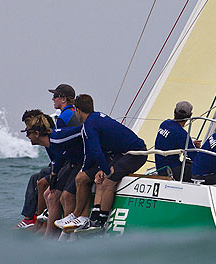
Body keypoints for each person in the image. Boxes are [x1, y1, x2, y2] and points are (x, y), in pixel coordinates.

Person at [54, 94, 148, 232]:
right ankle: (80, 216)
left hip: (136, 153)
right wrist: (98, 169)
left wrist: (106, 170)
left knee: (108, 181)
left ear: (78, 110)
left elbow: (94, 151)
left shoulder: (89, 125)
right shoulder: (94, 118)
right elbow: (95, 151)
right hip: (121, 153)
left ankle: (100, 221)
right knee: (88, 177)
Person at [15, 83, 80, 229]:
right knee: (36, 178)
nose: (52, 99)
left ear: (63, 99)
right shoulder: (69, 113)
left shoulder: (65, 117)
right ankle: (32, 218)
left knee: (42, 183)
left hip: (70, 161)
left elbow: (63, 145)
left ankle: (38, 221)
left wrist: (55, 171)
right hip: (67, 160)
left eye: (55, 96)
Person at [20, 109, 84, 237]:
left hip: (83, 162)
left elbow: (85, 129)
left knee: (59, 194)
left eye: (28, 132)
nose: (27, 136)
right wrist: (54, 174)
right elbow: (58, 157)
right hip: (73, 162)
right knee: (48, 193)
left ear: (37, 133)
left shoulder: (57, 139)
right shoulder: (51, 143)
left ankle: (55, 233)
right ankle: (46, 230)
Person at [154, 101, 201, 181]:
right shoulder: (182, 134)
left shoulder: (164, 124)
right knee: (199, 169)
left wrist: (190, 144)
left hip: (160, 168)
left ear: (174, 111)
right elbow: (194, 157)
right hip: (172, 171)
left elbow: (169, 142)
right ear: (190, 116)